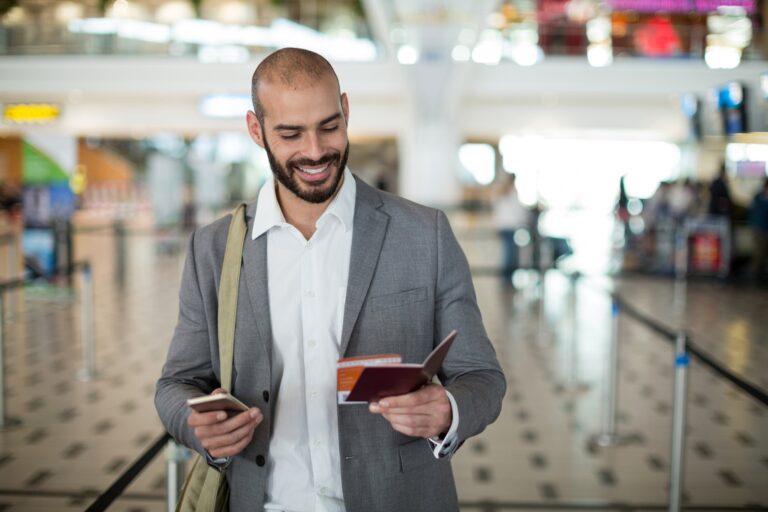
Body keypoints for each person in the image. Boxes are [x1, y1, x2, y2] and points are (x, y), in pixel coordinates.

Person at [155, 48, 505, 512]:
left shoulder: (426, 234)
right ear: (256, 130)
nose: (316, 151)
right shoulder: (214, 249)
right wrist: (194, 423)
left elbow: (481, 375)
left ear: (345, 110)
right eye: (290, 133)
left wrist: (450, 410)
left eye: (328, 126)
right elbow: (177, 382)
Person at [492, 173, 528, 284]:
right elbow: (517, 211)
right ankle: (506, 278)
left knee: (509, 252)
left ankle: (507, 278)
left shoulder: (502, 192)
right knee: (509, 253)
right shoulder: (510, 192)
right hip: (509, 227)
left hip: (504, 226)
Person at [748, 178, 768, 281]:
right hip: (758, 228)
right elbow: (752, 211)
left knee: (764, 253)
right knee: (758, 253)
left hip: (764, 228)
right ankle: (755, 276)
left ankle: (762, 274)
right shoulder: (758, 197)